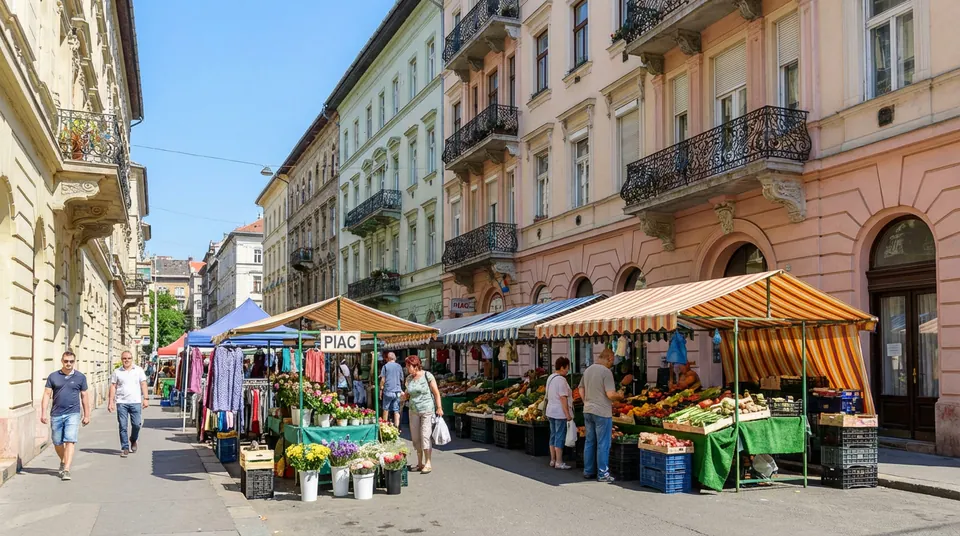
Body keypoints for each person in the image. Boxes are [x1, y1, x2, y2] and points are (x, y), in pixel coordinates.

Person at [40, 350, 90, 481]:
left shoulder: (80, 377)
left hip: (73, 413)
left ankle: (66, 469)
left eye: (71, 361)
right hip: (56, 413)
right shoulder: (53, 376)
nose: (68, 363)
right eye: (66, 361)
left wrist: (87, 415)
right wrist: (43, 412)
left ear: (74, 362)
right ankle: (63, 460)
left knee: (70, 440)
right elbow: (46, 394)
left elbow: (84, 396)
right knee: (57, 442)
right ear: (62, 361)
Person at [578, 348, 623, 483]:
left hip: (588, 410)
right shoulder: (606, 372)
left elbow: (580, 388)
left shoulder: (588, 370)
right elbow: (610, 395)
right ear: (609, 358)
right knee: (603, 443)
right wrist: (619, 396)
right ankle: (603, 473)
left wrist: (586, 401)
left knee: (590, 441)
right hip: (602, 412)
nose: (612, 364)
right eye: (612, 361)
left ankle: (588, 470)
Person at [400, 355, 443, 474]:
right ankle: (420, 463)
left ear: (415, 366)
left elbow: (436, 392)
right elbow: (408, 395)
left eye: (408, 366)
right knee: (415, 437)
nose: (407, 369)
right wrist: (403, 397)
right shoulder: (408, 379)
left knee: (425, 435)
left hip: (427, 410)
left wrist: (439, 407)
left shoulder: (427, 376)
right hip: (413, 410)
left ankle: (428, 462)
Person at [108, 351, 149, 457]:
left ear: (132, 359)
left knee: (137, 424)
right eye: (124, 358)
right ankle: (125, 447)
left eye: (129, 358)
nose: (126, 360)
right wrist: (110, 402)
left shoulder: (138, 370)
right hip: (121, 402)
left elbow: (143, 384)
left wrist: (146, 398)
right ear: (121, 360)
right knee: (123, 426)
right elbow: (113, 386)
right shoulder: (117, 372)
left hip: (135, 401)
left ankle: (133, 439)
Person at [545, 357, 574, 470]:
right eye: (567, 368)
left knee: (553, 435)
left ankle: (552, 460)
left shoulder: (550, 377)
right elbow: (563, 398)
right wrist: (567, 414)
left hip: (550, 411)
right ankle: (559, 461)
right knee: (560, 436)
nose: (568, 370)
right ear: (562, 367)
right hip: (559, 412)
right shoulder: (561, 380)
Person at [380, 352, 405, 427]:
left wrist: (381, 389)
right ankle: (396, 427)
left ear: (388, 358)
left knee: (386, 409)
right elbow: (402, 379)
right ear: (394, 358)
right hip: (397, 391)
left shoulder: (385, 366)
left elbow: (383, 380)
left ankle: (385, 426)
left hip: (388, 390)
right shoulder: (399, 366)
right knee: (396, 410)